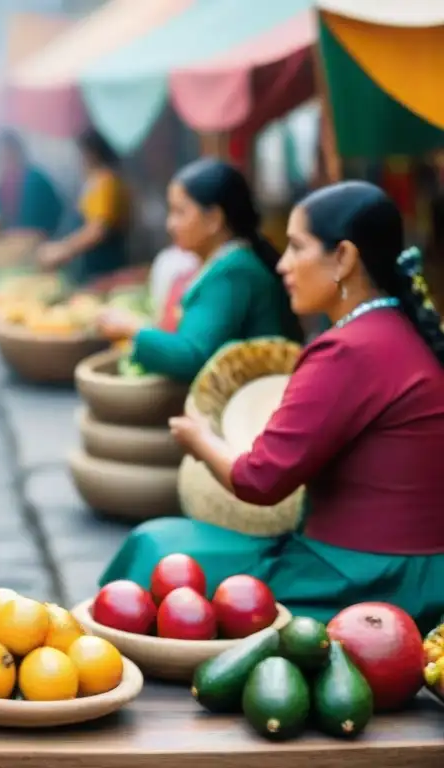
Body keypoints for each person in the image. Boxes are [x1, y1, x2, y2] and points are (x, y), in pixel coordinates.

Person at [101, 181, 444, 632]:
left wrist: (200, 438)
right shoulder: (395, 330)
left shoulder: (349, 349)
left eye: (297, 248)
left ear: (343, 258)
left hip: (362, 580)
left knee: (156, 548)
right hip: (415, 574)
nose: (282, 265)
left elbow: (259, 480)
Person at [97, 159, 302, 382]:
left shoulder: (233, 273)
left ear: (213, 219)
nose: (170, 224)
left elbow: (193, 358)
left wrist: (132, 328)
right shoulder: (231, 264)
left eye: (179, 212)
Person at [38, 128, 128, 282]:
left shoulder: (105, 182)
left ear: (91, 153)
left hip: (103, 266)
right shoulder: (94, 181)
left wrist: (63, 249)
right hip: (89, 267)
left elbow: (98, 228)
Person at [0, 130, 63, 237]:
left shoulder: (35, 179)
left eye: (9, 151)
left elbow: (56, 210)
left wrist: (44, 232)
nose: (6, 156)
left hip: (35, 240)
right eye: (2, 152)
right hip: (8, 240)